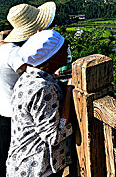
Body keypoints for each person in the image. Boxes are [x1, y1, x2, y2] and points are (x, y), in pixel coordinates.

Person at [0, 1, 56, 177]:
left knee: (4, 162)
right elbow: (35, 77)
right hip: (19, 119)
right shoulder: (15, 54)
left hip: (4, 114)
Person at [7, 30, 73, 177]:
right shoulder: (43, 88)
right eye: (63, 48)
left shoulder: (26, 78)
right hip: (37, 170)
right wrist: (69, 91)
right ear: (52, 58)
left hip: (22, 164)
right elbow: (54, 136)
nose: (67, 51)